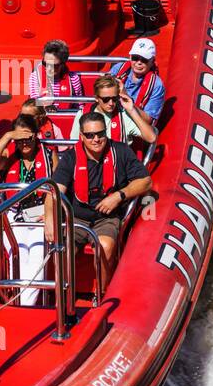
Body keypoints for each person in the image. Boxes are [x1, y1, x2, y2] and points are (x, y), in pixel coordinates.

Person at [44, 112, 151, 280]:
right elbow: (54, 192)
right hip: (76, 218)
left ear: (106, 132)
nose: (96, 139)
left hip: (107, 218)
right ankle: (64, 298)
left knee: (105, 246)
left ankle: (101, 297)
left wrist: (119, 196)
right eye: (90, 135)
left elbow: (145, 181)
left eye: (100, 134)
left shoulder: (121, 151)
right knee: (62, 249)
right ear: (81, 137)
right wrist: (49, 219)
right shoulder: (71, 158)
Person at [0, 116, 57, 306]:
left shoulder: (50, 155)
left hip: (41, 214)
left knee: (36, 255)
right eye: (19, 139)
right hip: (14, 216)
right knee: (19, 255)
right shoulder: (10, 156)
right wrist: (7, 136)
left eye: (28, 138)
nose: (24, 144)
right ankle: (22, 303)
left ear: (36, 135)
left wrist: (49, 213)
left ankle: (24, 305)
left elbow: (58, 188)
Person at [69, 73, 157, 147]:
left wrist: (132, 110)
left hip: (118, 164)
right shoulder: (83, 114)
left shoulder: (123, 115)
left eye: (114, 98)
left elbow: (151, 138)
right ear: (96, 98)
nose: (111, 103)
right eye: (106, 99)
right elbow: (74, 144)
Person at [111, 37, 165, 125]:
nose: (139, 62)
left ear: (152, 61)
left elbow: (148, 121)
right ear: (130, 57)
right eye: (135, 58)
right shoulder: (118, 68)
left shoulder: (157, 86)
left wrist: (126, 97)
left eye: (144, 59)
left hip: (132, 125)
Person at [27, 39, 83, 106]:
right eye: (45, 63)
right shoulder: (36, 76)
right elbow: (34, 104)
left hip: (66, 115)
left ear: (63, 63)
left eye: (53, 65)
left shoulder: (73, 79)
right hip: (41, 114)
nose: (49, 68)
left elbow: (79, 105)